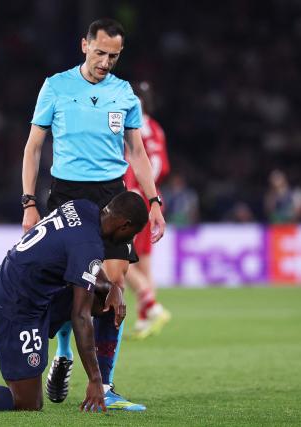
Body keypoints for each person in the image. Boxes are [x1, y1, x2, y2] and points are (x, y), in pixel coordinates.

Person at [21, 18, 166, 411]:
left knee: (114, 288)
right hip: (67, 193)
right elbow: (34, 146)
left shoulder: (124, 94)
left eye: (114, 56)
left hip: (112, 196)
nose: (105, 62)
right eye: (100, 52)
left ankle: (107, 384)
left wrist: (153, 203)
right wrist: (29, 202)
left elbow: (137, 153)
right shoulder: (56, 86)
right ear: (84, 45)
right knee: (75, 288)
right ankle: (64, 352)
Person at [0, 192, 148, 412]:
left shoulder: (82, 207)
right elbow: (80, 315)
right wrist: (93, 380)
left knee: (107, 302)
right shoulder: (88, 245)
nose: (130, 240)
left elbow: (82, 262)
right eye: (133, 234)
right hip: (12, 308)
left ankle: (98, 382)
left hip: (37, 297)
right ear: (124, 226)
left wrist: (111, 288)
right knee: (27, 402)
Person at [123, 81, 171, 339]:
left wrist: (134, 189)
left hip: (135, 197)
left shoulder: (133, 127)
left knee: (116, 254)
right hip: (152, 198)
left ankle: (151, 306)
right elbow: (163, 167)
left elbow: (137, 162)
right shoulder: (156, 128)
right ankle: (145, 319)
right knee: (144, 261)